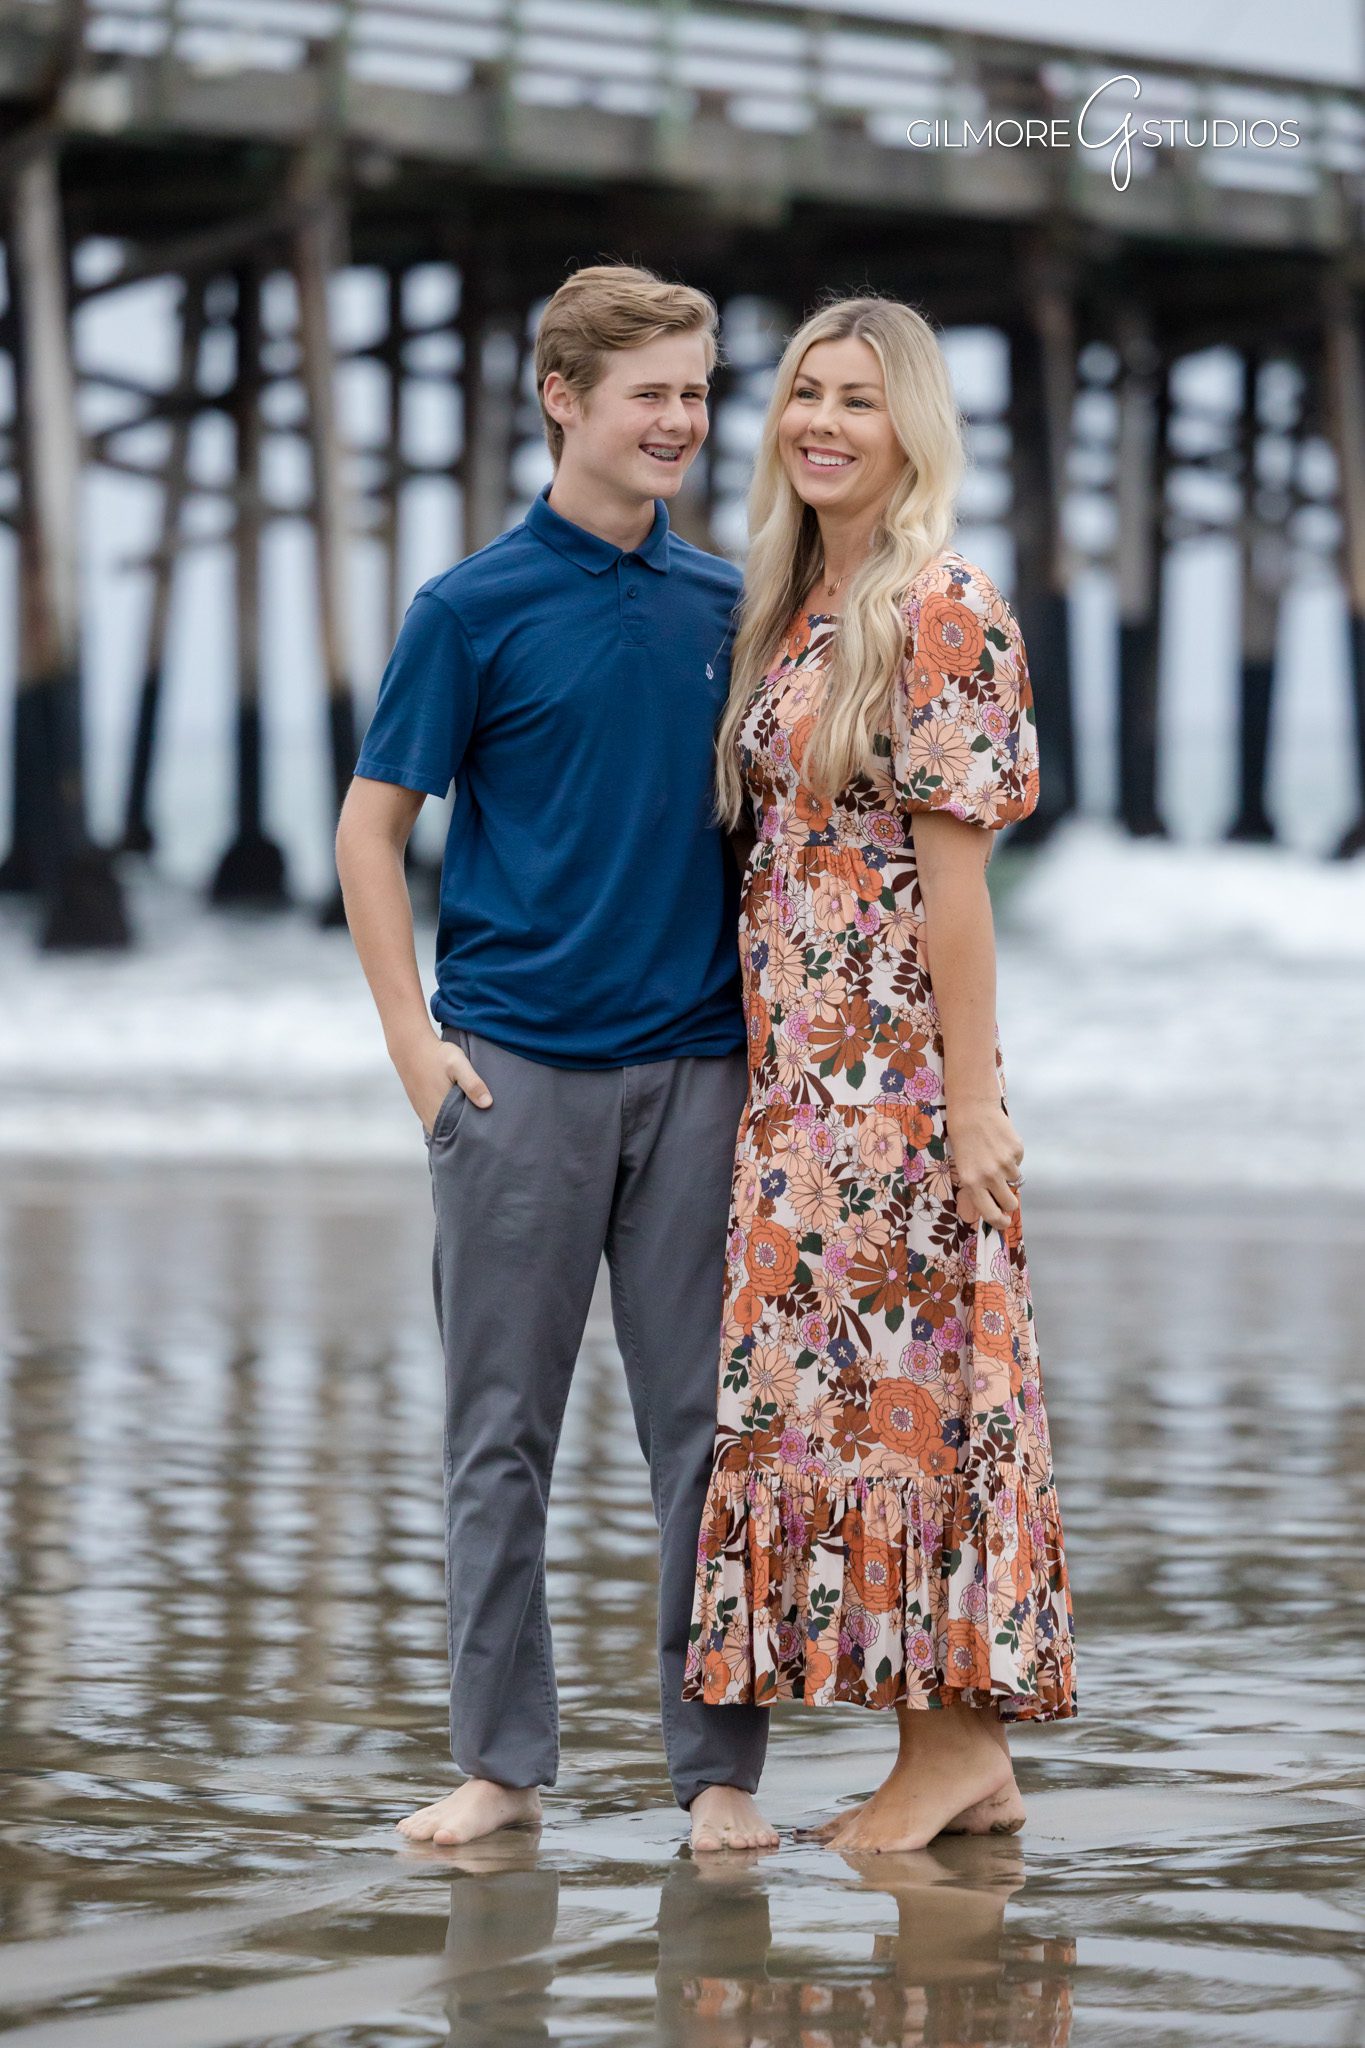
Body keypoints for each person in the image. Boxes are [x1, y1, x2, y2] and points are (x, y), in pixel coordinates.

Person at [335, 264, 774, 1853]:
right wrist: (411, 1039)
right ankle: (499, 1770)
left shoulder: (734, 607)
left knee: (705, 1442)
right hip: (512, 1070)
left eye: (697, 391)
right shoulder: (465, 610)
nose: (678, 420)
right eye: (648, 391)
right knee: (498, 1434)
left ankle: (718, 1775)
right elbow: (372, 830)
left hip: (699, 1071)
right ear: (564, 399)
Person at [682, 294, 1077, 1851]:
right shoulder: (796, 608)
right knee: (833, 1411)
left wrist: (969, 1102)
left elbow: (955, 884)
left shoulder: (937, 605)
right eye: (800, 396)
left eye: (856, 399)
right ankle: (959, 1758)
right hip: (798, 1095)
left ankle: (952, 1748)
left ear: (912, 424)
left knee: (911, 1404)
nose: (822, 424)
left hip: (894, 1092)